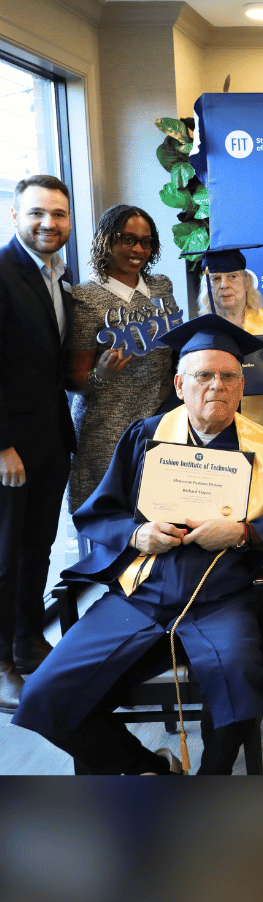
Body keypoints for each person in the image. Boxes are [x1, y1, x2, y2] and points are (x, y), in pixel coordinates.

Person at [12, 314, 263, 774]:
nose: (217, 386)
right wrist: (137, 534)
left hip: (222, 598)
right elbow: (97, 513)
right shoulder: (144, 437)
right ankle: (152, 772)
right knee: (45, 694)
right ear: (179, 383)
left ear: (241, 385)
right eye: (204, 375)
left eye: (229, 376)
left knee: (239, 676)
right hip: (142, 596)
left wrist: (243, 533)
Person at [0, 175, 76, 708]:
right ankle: (2, 659)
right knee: (4, 555)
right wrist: (1, 445)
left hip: (51, 440)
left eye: (59, 214)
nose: (49, 223)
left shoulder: (57, 279)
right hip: (10, 448)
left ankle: (28, 640)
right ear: (15, 218)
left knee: (36, 550)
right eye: (37, 213)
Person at [67, 205, 182, 526]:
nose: (138, 250)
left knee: (159, 521)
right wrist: (101, 376)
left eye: (146, 242)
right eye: (127, 239)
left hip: (160, 426)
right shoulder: (85, 299)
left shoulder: (161, 287)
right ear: (106, 240)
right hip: (106, 433)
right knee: (109, 527)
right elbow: (74, 380)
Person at [190, 243, 263, 435]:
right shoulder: (200, 332)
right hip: (216, 435)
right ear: (206, 285)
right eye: (215, 279)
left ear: (247, 281)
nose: (224, 285)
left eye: (232, 276)